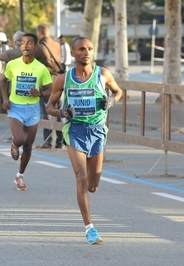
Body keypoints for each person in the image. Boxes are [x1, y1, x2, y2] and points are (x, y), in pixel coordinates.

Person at [46, 37, 123, 244]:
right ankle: (89, 228)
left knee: (93, 185)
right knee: (81, 178)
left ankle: (89, 199)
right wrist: (62, 111)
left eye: (89, 49)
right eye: (81, 49)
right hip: (75, 131)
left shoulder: (102, 74)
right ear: (73, 53)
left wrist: (111, 101)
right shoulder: (64, 79)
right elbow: (49, 107)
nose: (86, 52)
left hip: (97, 131)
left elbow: (118, 91)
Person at [0, 33, 52, 191]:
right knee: (20, 139)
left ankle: (20, 176)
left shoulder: (41, 68)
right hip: (16, 107)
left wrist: (40, 93)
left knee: (28, 145)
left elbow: (50, 89)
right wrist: (4, 99)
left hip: (33, 109)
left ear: (35, 47)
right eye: (23, 43)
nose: (25, 45)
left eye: (29, 43)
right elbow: (3, 82)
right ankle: (14, 143)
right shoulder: (13, 64)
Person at [35, 23, 63, 149]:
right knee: (59, 111)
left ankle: (47, 141)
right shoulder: (57, 44)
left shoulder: (40, 47)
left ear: (39, 33)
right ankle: (60, 141)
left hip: (47, 81)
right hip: (59, 79)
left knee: (46, 110)